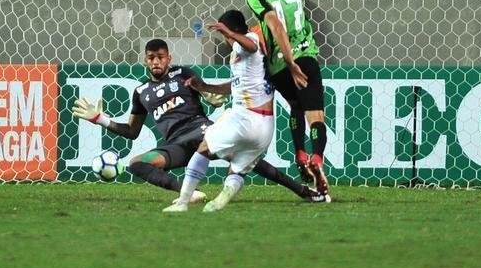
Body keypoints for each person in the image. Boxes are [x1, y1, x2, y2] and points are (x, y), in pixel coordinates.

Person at [72, 38, 320, 204]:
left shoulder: (183, 74)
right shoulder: (141, 91)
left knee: (247, 158)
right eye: (151, 58)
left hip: (202, 131)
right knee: (137, 163)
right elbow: (132, 131)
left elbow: (206, 92)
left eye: (160, 57)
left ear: (169, 58)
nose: (156, 62)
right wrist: (100, 119)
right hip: (176, 145)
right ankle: (186, 193)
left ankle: (301, 190)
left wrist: (211, 97)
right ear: (145, 60)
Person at [164, 10, 276, 213]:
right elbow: (235, 86)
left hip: (246, 117)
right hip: (265, 127)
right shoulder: (247, 58)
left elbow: (250, 46)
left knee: (204, 147)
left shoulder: (250, 40)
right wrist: (205, 86)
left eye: (224, 35)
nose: (224, 40)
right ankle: (218, 202)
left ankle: (182, 202)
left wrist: (229, 33)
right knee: (237, 169)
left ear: (231, 32)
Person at [246, 0, 331, 197]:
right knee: (315, 116)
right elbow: (282, 22)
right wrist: (296, 61)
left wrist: (288, 63)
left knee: (295, 105)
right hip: (306, 58)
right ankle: (316, 157)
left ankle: (299, 153)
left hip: (280, 67)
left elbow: (274, 24)